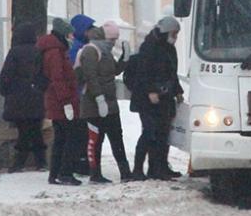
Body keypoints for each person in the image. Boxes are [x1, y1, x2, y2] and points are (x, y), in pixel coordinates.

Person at [130, 15, 184, 180]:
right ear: (166, 32)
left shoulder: (168, 48)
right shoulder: (149, 47)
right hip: (147, 100)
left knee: (163, 133)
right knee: (149, 132)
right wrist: (151, 91)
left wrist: (177, 91)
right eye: (174, 34)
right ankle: (137, 169)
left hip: (165, 97)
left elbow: (171, 73)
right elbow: (143, 73)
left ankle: (159, 167)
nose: (175, 37)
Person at [78, 22, 132, 183]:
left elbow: (114, 71)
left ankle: (125, 172)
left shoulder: (106, 52)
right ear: (105, 37)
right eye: (112, 39)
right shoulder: (91, 50)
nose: (114, 42)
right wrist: (99, 98)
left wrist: (125, 58)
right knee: (96, 140)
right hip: (93, 105)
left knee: (117, 137)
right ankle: (95, 173)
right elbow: (91, 76)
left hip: (110, 103)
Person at [39, 18, 83, 186]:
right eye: (70, 34)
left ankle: (56, 173)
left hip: (59, 101)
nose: (72, 37)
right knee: (69, 137)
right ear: (63, 34)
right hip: (62, 102)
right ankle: (64, 172)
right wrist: (66, 102)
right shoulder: (55, 52)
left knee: (61, 138)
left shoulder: (55, 50)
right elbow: (57, 78)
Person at [0, 23, 46, 171]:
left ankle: (19, 162)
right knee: (36, 130)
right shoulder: (39, 52)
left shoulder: (14, 53)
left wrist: (5, 91)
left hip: (17, 99)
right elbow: (44, 75)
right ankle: (41, 161)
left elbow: (6, 76)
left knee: (23, 131)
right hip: (36, 98)